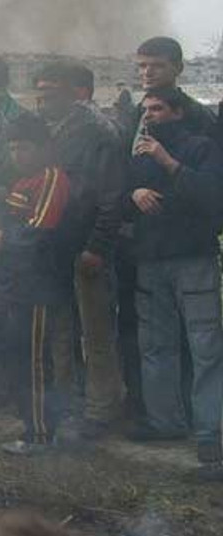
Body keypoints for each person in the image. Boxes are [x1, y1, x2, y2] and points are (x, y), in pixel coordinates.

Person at [126, 87, 223, 481]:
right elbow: (119, 196)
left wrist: (168, 162)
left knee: (205, 347)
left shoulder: (201, 146)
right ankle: (164, 420)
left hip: (193, 260)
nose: (150, 116)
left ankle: (210, 433)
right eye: (146, 110)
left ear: (177, 112)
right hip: (151, 260)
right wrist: (134, 192)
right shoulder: (139, 152)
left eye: (158, 109)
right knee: (156, 344)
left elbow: (211, 196)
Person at [32, 63, 125, 435]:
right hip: (56, 249)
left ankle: (102, 409)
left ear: (75, 92)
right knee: (61, 330)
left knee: (96, 332)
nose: (43, 99)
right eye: (39, 92)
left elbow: (110, 196)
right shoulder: (51, 132)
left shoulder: (98, 132)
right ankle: (68, 405)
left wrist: (97, 246)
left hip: (87, 248)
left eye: (51, 92)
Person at [0, 115, 74, 455]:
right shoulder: (23, 181)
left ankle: (41, 434)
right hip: (14, 283)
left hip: (38, 287)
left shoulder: (51, 178)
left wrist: (3, 239)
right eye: (12, 148)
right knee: (15, 355)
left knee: (35, 361)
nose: (17, 154)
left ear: (42, 148)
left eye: (23, 147)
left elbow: (41, 231)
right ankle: (30, 423)